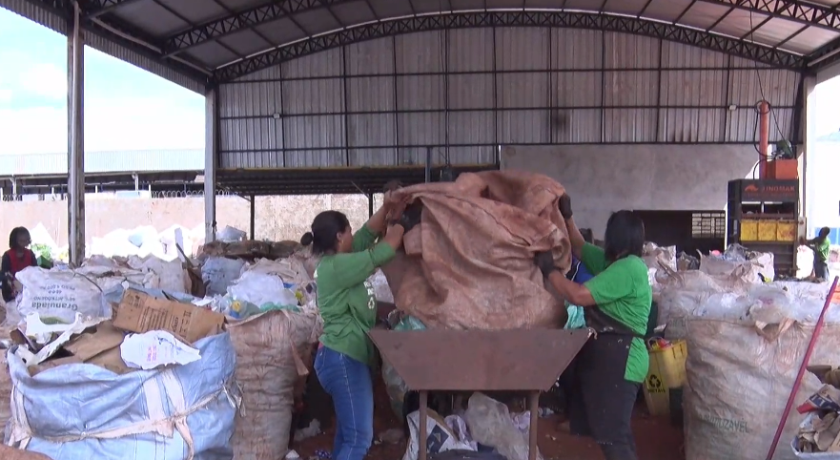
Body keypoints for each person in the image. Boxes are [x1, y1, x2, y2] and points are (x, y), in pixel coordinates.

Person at [534, 195, 651, 460]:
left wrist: (550, 271)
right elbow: (578, 246)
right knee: (610, 432)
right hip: (613, 357)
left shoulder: (630, 268)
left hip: (624, 360)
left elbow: (578, 295)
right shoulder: (615, 264)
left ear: (616, 237)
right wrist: (567, 216)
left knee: (614, 437)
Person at [304, 195, 419, 460]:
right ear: (339, 236)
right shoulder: (338, 267)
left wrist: (388, 206)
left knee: (348, 435)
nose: (353, 235)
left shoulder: (341, 259)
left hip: (343, 356)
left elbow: (368, 233)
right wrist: (404, 221)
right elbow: (384, 250)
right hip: (343, 357)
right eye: (349, 231)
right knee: (359, 439)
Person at [1, 227, 38, 303]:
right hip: (11, 294)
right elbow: (4, 276)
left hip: (29, 293)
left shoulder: (30, 254)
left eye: (26, 240)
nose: (24, 243)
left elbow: (36, 272)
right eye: (21, 241)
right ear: (15, 241)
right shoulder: (7, 255)